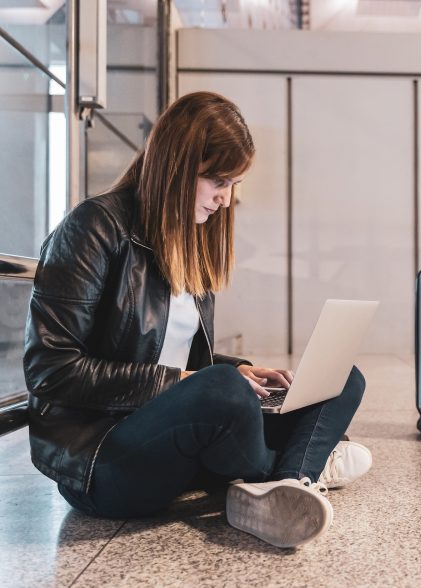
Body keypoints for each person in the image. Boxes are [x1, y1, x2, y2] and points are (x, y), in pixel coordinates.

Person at [23, 92, 372, 549]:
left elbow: (171, 353)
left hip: (173, 440)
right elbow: (51, 370)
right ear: (176, 166)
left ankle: (284, 485)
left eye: (233, 185)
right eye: (218, 182)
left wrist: (233, 370)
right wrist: (195, 382)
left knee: (341, 377)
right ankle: (300, 464)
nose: (226, 200)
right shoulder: (94, 228)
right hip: (103, 459)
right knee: (224, 389)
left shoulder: (188, 240)